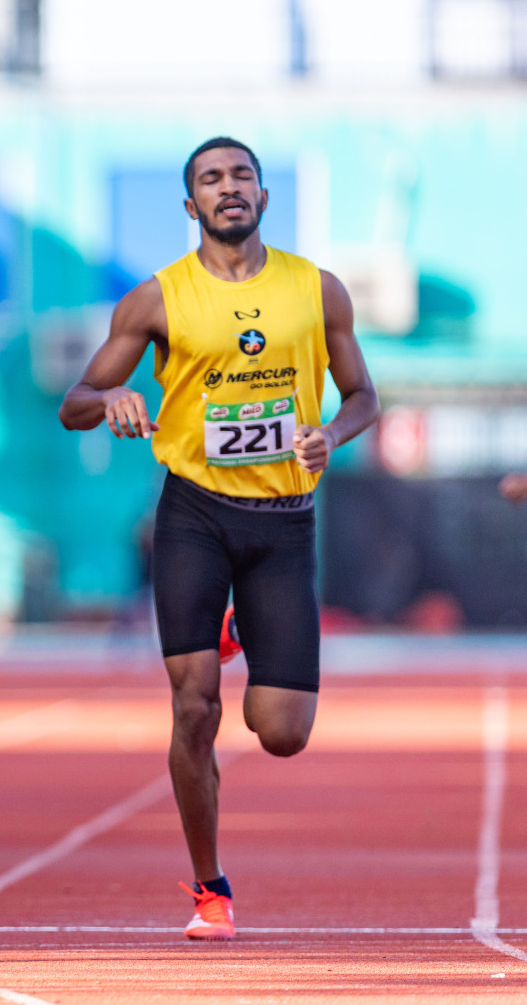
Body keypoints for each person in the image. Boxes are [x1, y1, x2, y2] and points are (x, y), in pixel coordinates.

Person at [59, 137, 379, 941]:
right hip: (195, 513)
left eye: (242, 177)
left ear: (264, 198)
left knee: (282, 733)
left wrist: (332, 435)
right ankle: (210, 888)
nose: (228, 188)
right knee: (194, 707)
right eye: (211, 179)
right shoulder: (156, 299)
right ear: (190, 205)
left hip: (283, 521)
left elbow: (365, 395)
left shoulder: (317, 289)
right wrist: (113, 400)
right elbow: (75, 399)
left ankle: (240, 628)